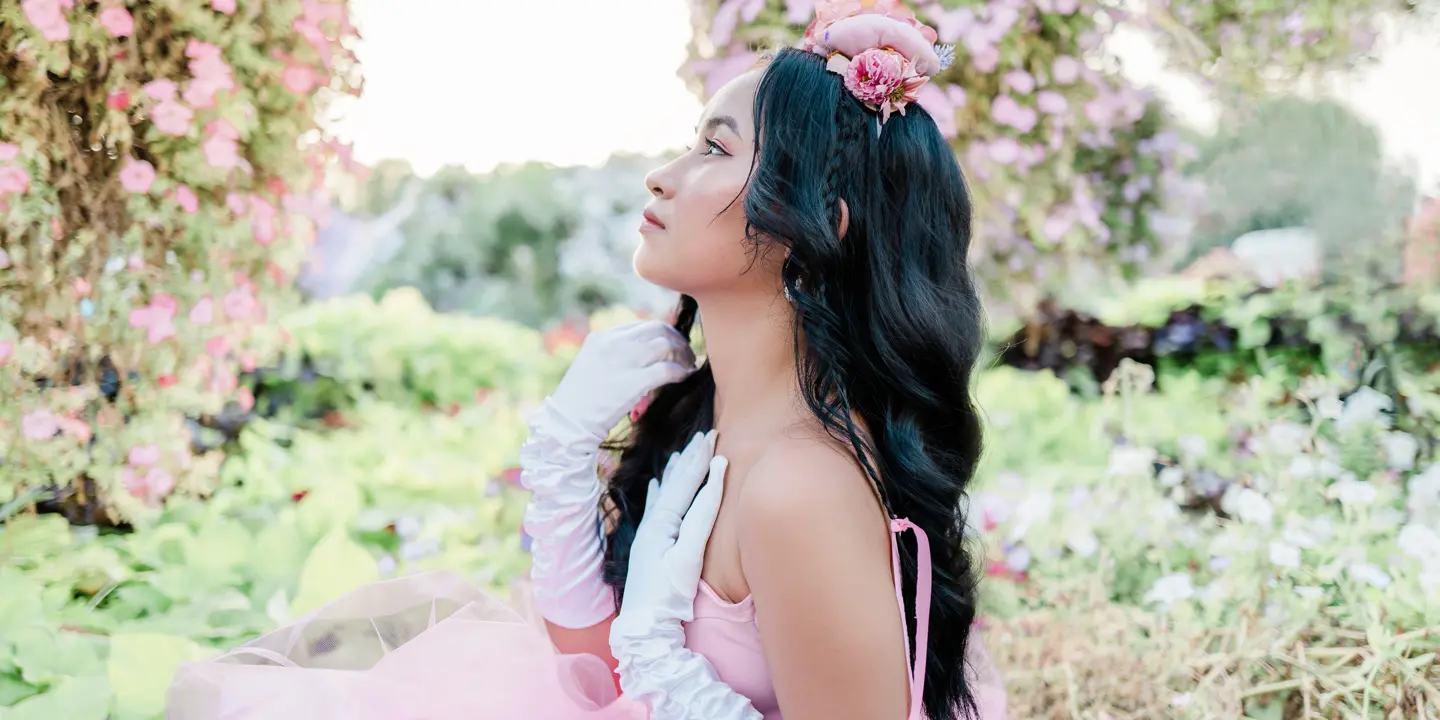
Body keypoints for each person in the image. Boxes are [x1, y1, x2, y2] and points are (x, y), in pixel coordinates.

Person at [166, 2, 1006, 718]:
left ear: (823, 221)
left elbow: (637, 677)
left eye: (715, 150)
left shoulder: (802, 487)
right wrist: (560, 458)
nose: (661, 177)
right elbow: (593, 680)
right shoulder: (715, 424)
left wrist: (666, 675)